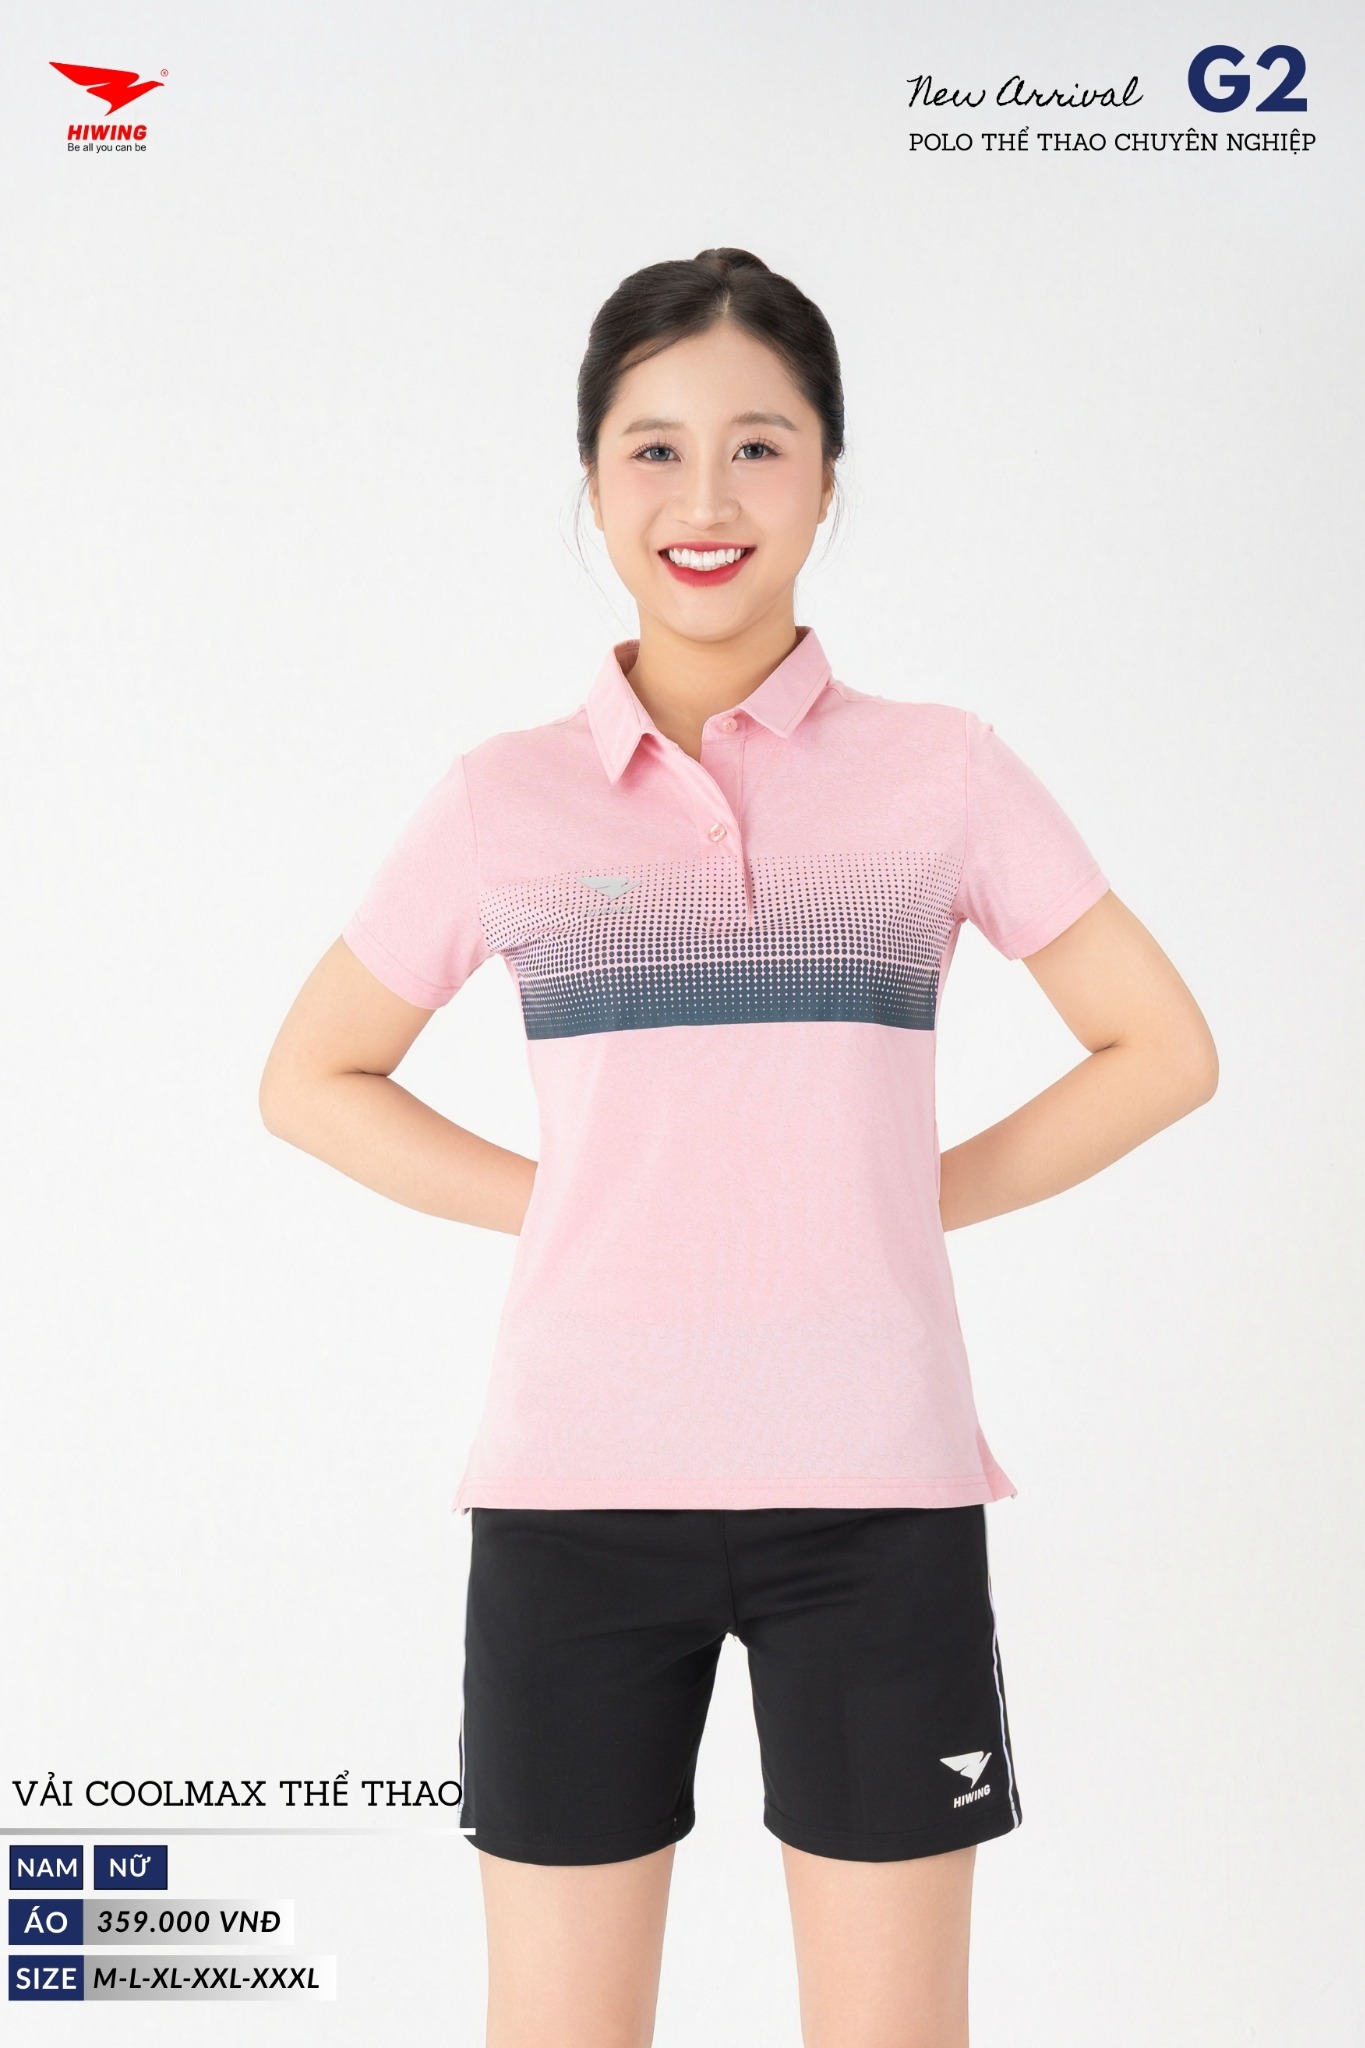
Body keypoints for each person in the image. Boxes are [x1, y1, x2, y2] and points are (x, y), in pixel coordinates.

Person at [258, 247, 1218, 2048]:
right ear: (592, 480)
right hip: (570, 1502)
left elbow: (1161, 1050)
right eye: (654, 450)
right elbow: (311, 1076)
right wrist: (573, 1206)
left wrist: (896, 1197)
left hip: (875, 1503)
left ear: (828, 477)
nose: (705, 501)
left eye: (759, 447)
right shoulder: (500, 797)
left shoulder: (943, 770)